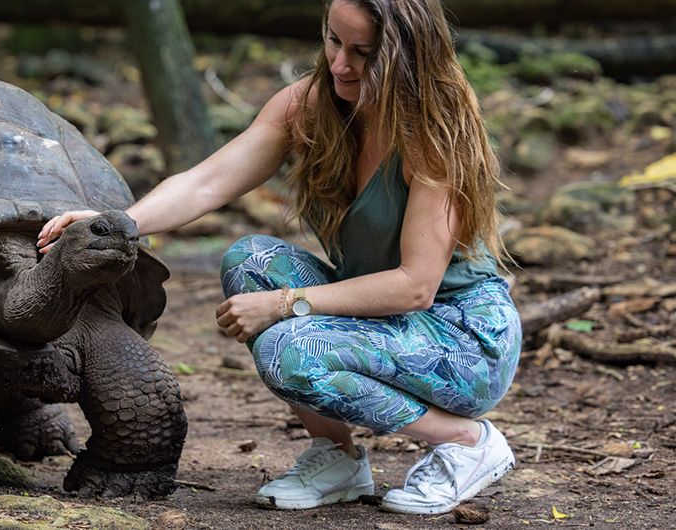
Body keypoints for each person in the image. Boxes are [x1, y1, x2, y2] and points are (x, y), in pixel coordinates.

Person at [36, 0, 521, 516]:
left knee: (291, 345)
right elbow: (209, 181)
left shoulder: (432, 137)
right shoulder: (309, 104)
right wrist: (118, 224)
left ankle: (464, 440)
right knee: (250, 261)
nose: (339, 65)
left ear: (406, 57)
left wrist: (286, 303)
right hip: (386, 320)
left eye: (364, 53)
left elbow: (415, 286)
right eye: (334, 41)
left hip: (461, 338)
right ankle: (337, 458)